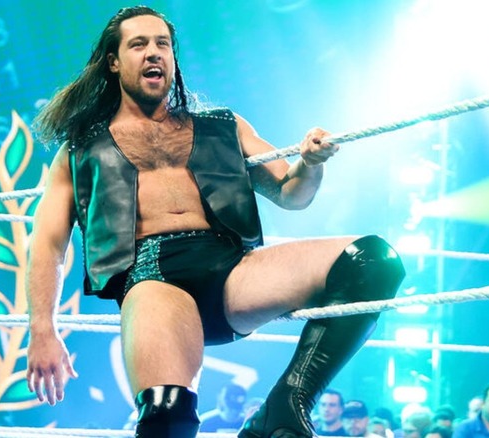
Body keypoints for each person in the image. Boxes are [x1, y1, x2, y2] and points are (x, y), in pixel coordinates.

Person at [24, 5, 406, 438]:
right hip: (153, 280)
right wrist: (43, 330)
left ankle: (285, 405)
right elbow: (48, 245)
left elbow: (292, 193)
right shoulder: (80, 150)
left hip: (233, 270)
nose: (154, 53)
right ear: (113, 62)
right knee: (167, 417)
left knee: (373, 260)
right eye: (139, 44)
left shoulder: (224, 126)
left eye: (162, 44)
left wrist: (311, 162)